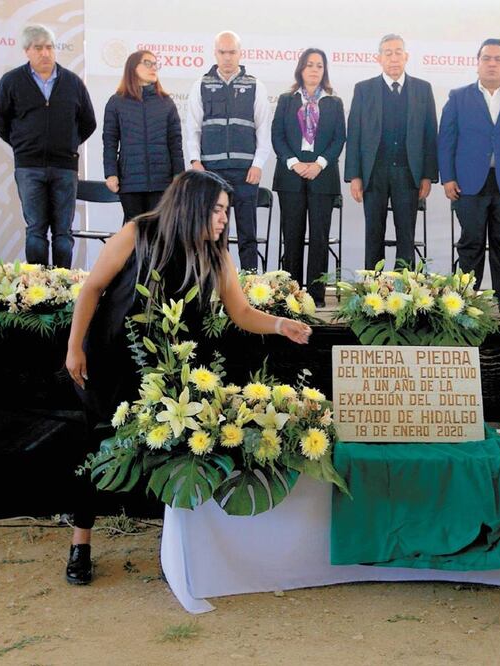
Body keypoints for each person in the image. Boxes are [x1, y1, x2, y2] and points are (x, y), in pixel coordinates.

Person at [62, 171, 312, 585]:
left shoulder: (215, 255)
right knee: (96, 450)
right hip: (111, 361)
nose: (222, 221)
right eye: (217, 210)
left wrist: (281, 325)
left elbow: (242, 313)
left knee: (172, 457)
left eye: (226, 213)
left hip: (169, 371)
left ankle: (173, 553)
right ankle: (80, 544)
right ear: (193, 204)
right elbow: (92, 289)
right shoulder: (137, 233)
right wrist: (74, 347)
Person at [439, 38, 500, 317]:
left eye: (498, 59)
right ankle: (464, 301)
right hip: (468, 183)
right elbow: (445, 141)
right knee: (470, 243)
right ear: (478, 62)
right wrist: (447, 178)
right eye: (487, 58)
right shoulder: (458, 97)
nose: (492, 63)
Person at [0, 24, 96, 268]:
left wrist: (67, 145)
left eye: (49, 47)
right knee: (36, 231)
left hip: (65, 168)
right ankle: (38, 291)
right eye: (38, 48)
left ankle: (63, 289)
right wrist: (23, 146)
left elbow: (88, 122)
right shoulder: (11, 81)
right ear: (27, 51)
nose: (45, 53)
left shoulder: (73, 82)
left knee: (63, 233)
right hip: (29, 168)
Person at [344, 34, 438, 270]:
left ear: (406, 57)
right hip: (373, 173)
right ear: (379, 58)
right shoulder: (364, 90)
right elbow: (354, 134)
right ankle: (372, 293)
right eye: (388, 53)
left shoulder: (422, 89)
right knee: (373, 233)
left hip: (409, 173)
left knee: (406, 235)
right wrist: (355, 176)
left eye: (398, 52)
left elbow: (430, 135)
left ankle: (404, 292)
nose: (393, 58)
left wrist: (427, 175)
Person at [184, 30, 274, 271]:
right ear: (215, 53)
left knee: (248, 234)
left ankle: (250, 288)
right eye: (222, 52)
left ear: (240, 53)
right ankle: (212, 283)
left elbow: (264, 130)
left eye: (232, 52)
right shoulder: (200, 85)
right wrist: (195, 161)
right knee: (212, 234)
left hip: (246, 172)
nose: (227, 57)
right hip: (211, 172)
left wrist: (258, 164)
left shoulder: (256, 86)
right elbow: (192, 127)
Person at [271, 49, 345, 307]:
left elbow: (339, 139)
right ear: (301, 69)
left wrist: (319, 164)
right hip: (290, 176)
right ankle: (291, 294)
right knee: (291, 236)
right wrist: (294, 163)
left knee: (319, 238)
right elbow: (277, 136)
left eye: (320, 66)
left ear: (324, 71)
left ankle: (316, 295)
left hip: (322, 176)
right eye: (310, 65)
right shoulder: (286, 100)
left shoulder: (334, 103)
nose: (314, 70)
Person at [102, 50, 185, 223]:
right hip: (130, 182)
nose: (153, 67)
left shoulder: (166, 103)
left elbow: (175, 144)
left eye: (155, 64)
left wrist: (179, 175)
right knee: (133, 235)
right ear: (133, 68)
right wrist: (111, 173)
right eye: (147, 63)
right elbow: (110, 141)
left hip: (162, 182)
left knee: (158, 234)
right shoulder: (116, 102)